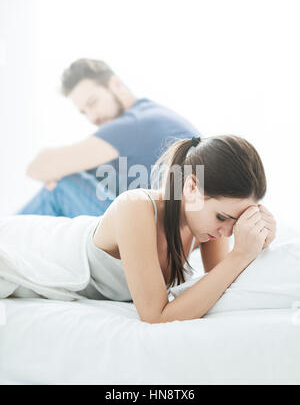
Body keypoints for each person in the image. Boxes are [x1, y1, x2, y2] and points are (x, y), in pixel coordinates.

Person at [0, 135, 277, 323]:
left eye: (237, 222)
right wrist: (240, 255)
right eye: (223, 217)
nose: (228, 232)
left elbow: (222, 284)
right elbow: (155, 315)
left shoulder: (208, 226)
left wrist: (255, 242)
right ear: (191, 187)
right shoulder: (137, 208)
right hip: (28, 253)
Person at [18, 58, 199, 217]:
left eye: (93, 103)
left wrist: (56, 170)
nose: (92, 117)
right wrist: (57, 170)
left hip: (155, 234)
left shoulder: (136, 124)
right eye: (84, 112)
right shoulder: (150, 116)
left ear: (116, 85)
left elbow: (40, 166)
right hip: (162, 226)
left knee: (62, 186)